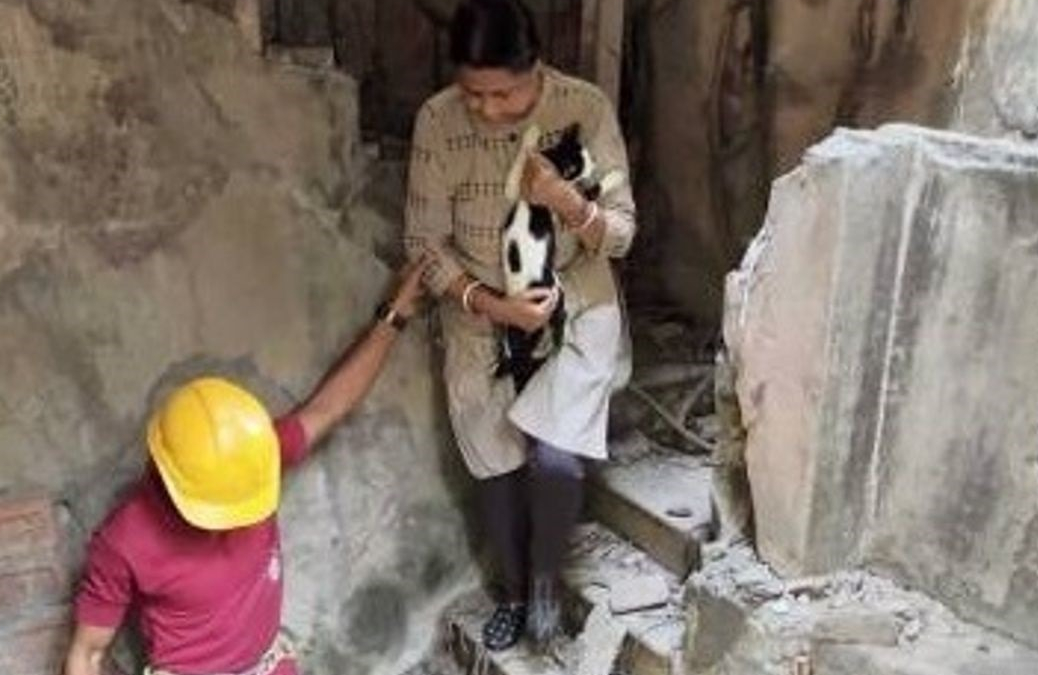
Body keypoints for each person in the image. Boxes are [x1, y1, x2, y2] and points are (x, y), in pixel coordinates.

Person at [403, 0, 636, 651]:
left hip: (575, 306)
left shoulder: (583, 109)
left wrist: (565, 200)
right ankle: (509, 589)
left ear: (534, 71)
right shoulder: (438, 121)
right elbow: (424, 243)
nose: (484, 107)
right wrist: (491, 303)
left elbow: (620, 234)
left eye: (502, 93)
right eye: (471, 92)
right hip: (483, 312)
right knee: (497, 467)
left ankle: (543, 582)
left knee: (557, 461)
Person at [63, 260, 428, 675]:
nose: (228, 522)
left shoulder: (250, 457)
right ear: (164, 471)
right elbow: (88, 653)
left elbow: (330, 406)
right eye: (216, 507)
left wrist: (394, 316)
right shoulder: (125, 538)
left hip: (270, 666)